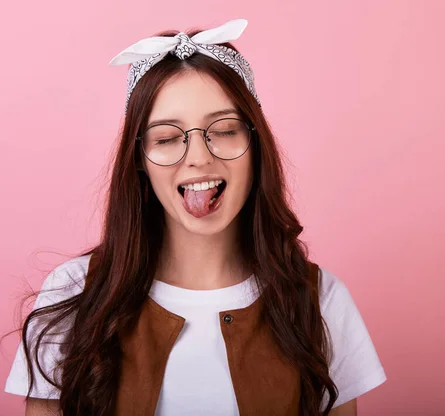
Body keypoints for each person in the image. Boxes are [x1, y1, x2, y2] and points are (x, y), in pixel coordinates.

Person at [4, 18, 386, 415]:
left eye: (223, 130)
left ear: (255, 145)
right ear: (140, 160)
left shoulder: (321, 300)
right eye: (167, 138)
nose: (199, 157)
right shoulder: (73, 294)